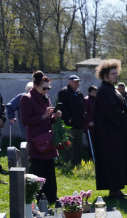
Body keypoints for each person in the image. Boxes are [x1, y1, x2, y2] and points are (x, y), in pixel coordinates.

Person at [93, 60, 127, 199]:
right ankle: (114, 190)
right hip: (109, 134)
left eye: (116, 73)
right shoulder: (104, 90)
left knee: (118, 160)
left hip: (116, 132)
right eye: (113, 74)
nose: (116, 75)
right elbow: (110, 111)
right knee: (113, 160)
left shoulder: (110, 89)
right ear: (105, 75)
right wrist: (126, 114)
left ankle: (117, 189)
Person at [20, 72, 61, 204]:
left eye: (48, 88)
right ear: (36, 86)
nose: (46, 90)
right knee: (39, 170)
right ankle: (39, 197)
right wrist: (43, 117)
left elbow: (48, 119)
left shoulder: (46, 97)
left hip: (48, 138)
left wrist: (54, 117)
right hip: (36, 140)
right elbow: (25, 120)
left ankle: (52, 197)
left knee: (50, 169)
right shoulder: (27, 98)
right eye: (44, 88)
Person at [56, 74, 87, 165]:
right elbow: (62, 106)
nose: (76, 83)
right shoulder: (64, 92)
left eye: (78, 81)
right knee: (68, 144)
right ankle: (68, 162)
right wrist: (69, 117)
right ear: (69, 82)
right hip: (69, 124)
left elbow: (82, 106)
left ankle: (77, 162)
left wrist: (84, 116)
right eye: (74, 81)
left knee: (78, 145)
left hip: (79, 123)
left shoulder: (79, 92)